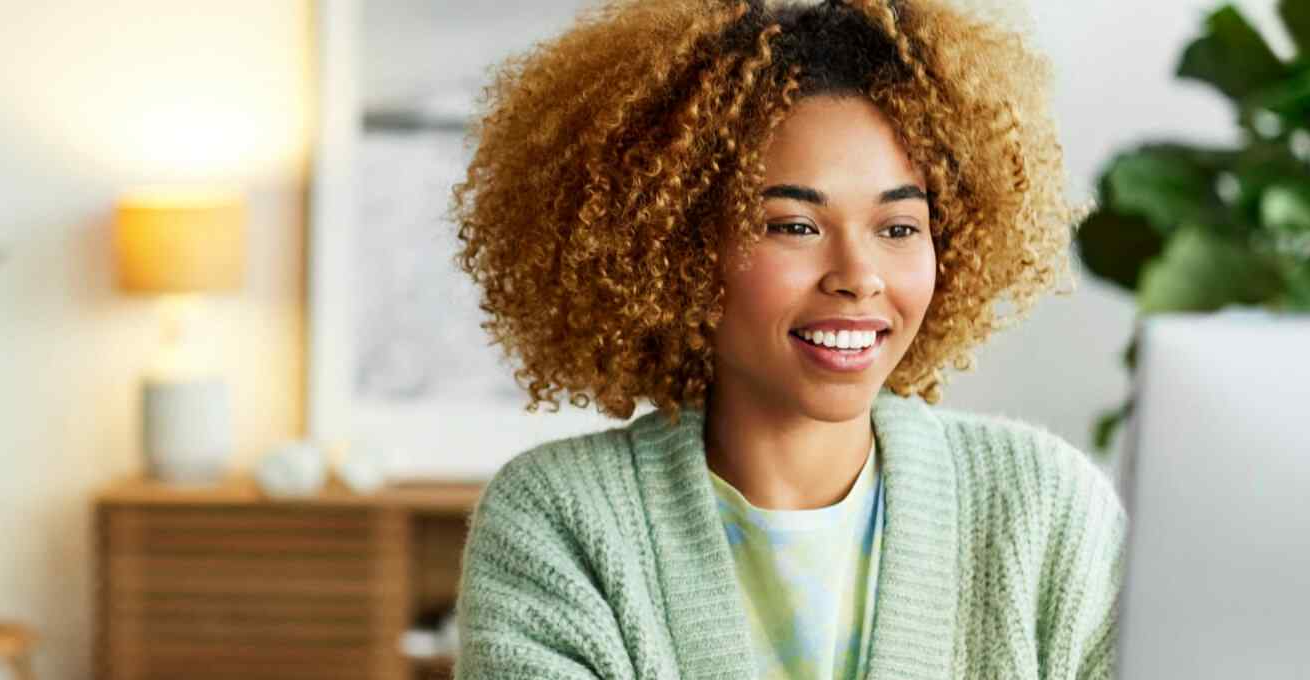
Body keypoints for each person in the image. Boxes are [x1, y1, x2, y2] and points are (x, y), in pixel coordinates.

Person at [447, 1, 1122, 678]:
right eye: (794, 226)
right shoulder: (561, 522)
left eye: (898, 228)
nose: (859, 278)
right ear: (678, 247)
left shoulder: (1041, 507)